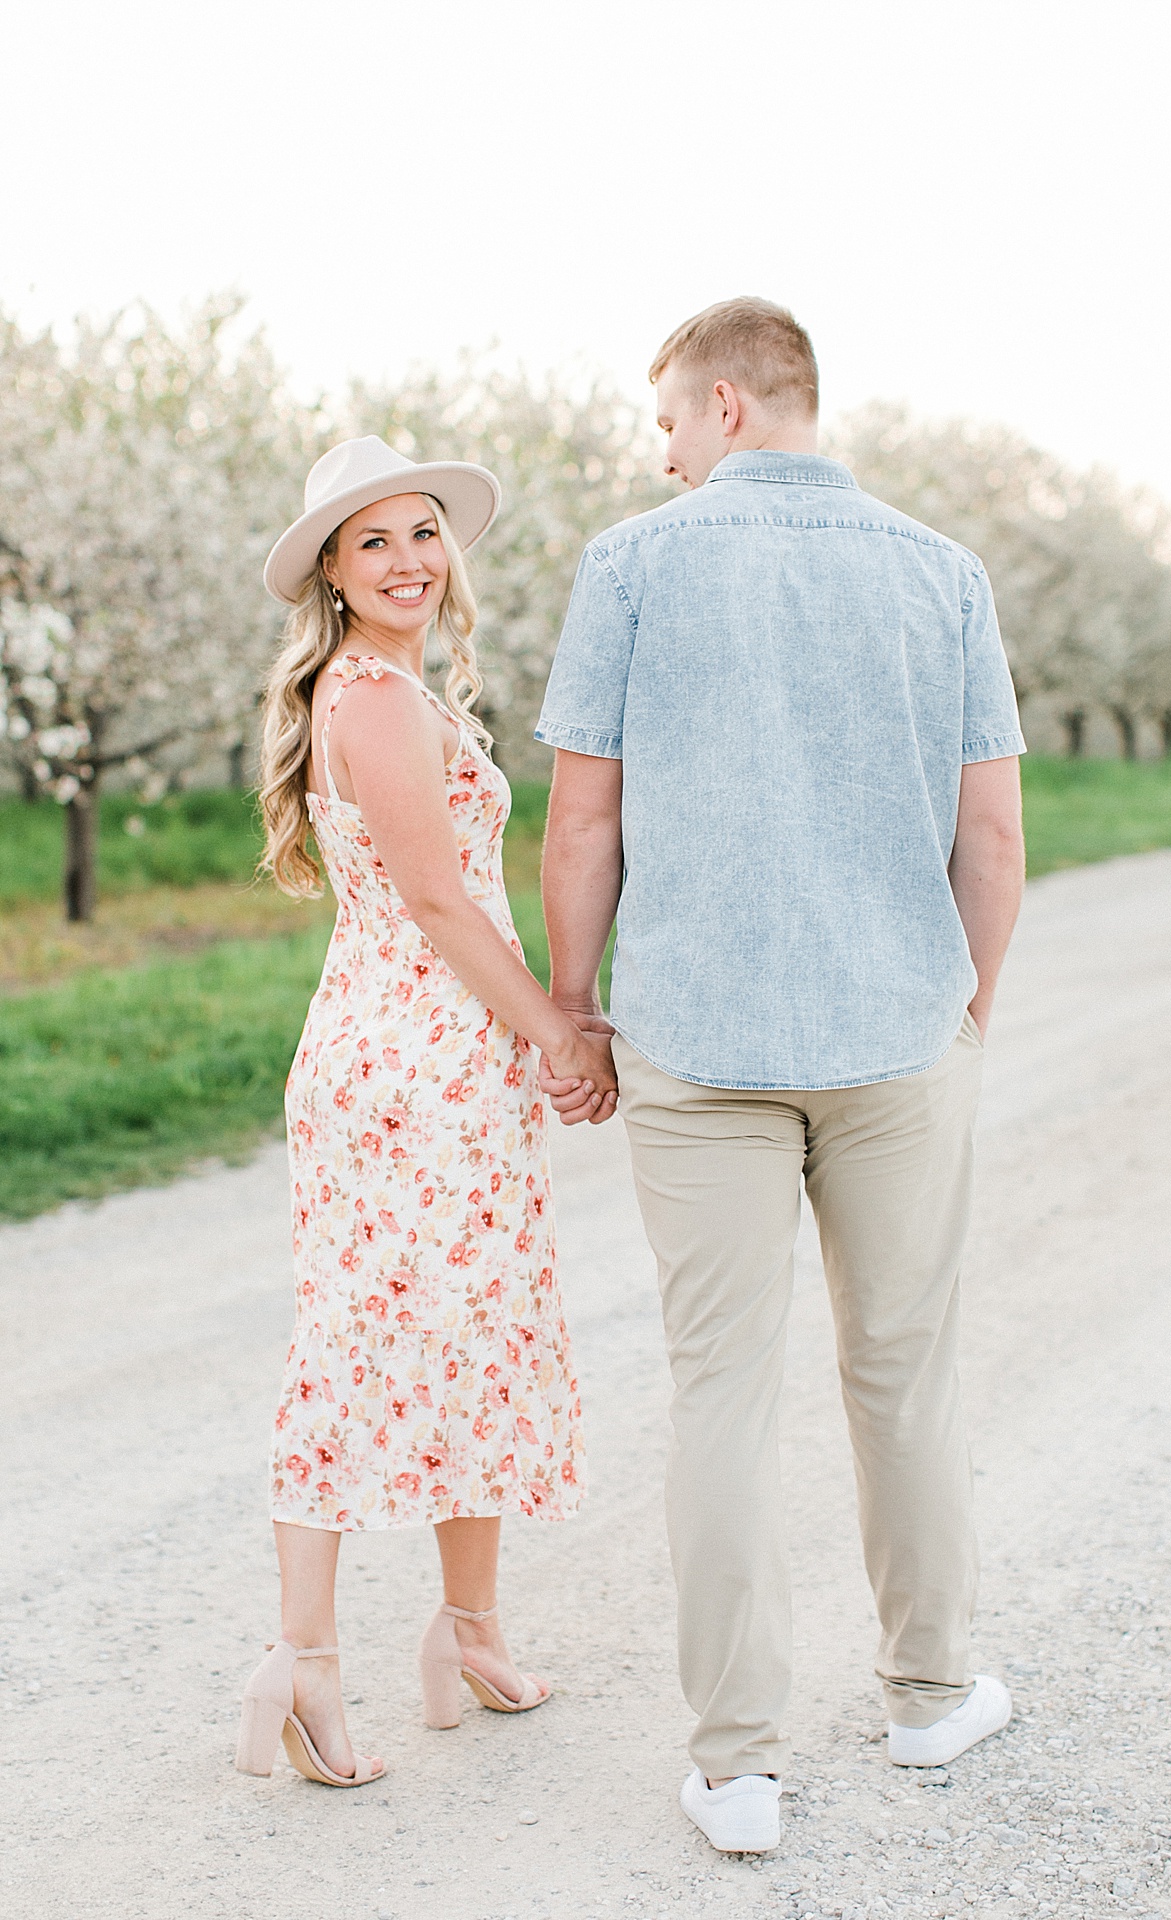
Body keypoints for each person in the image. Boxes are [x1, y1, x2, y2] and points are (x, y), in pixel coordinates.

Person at [536, 299, 1026, 1852]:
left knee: (720, 1397)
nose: (662, 451)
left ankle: (737, 1765)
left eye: (670, 420)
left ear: (731, 406)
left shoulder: (630, 566)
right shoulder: (943, 576)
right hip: (897, 1036)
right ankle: (932, 1698)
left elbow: (580, 827)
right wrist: (968, 1007)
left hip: (697, 1041)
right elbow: (992, 835)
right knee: (905, 1375)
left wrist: (571, 1001)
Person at [237, 435, 615, 1789]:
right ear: (333, 575)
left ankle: (469, 1633)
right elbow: (440, 904)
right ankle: (307, 1668)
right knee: (360, 1346)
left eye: (421, 534)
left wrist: (522, 1045)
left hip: (445, 1066)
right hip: (409, 1073)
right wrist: (557, 1031)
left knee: (477, 1335)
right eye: (373, 542)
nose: (407, 561)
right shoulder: (374, 700)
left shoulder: (399, 689)